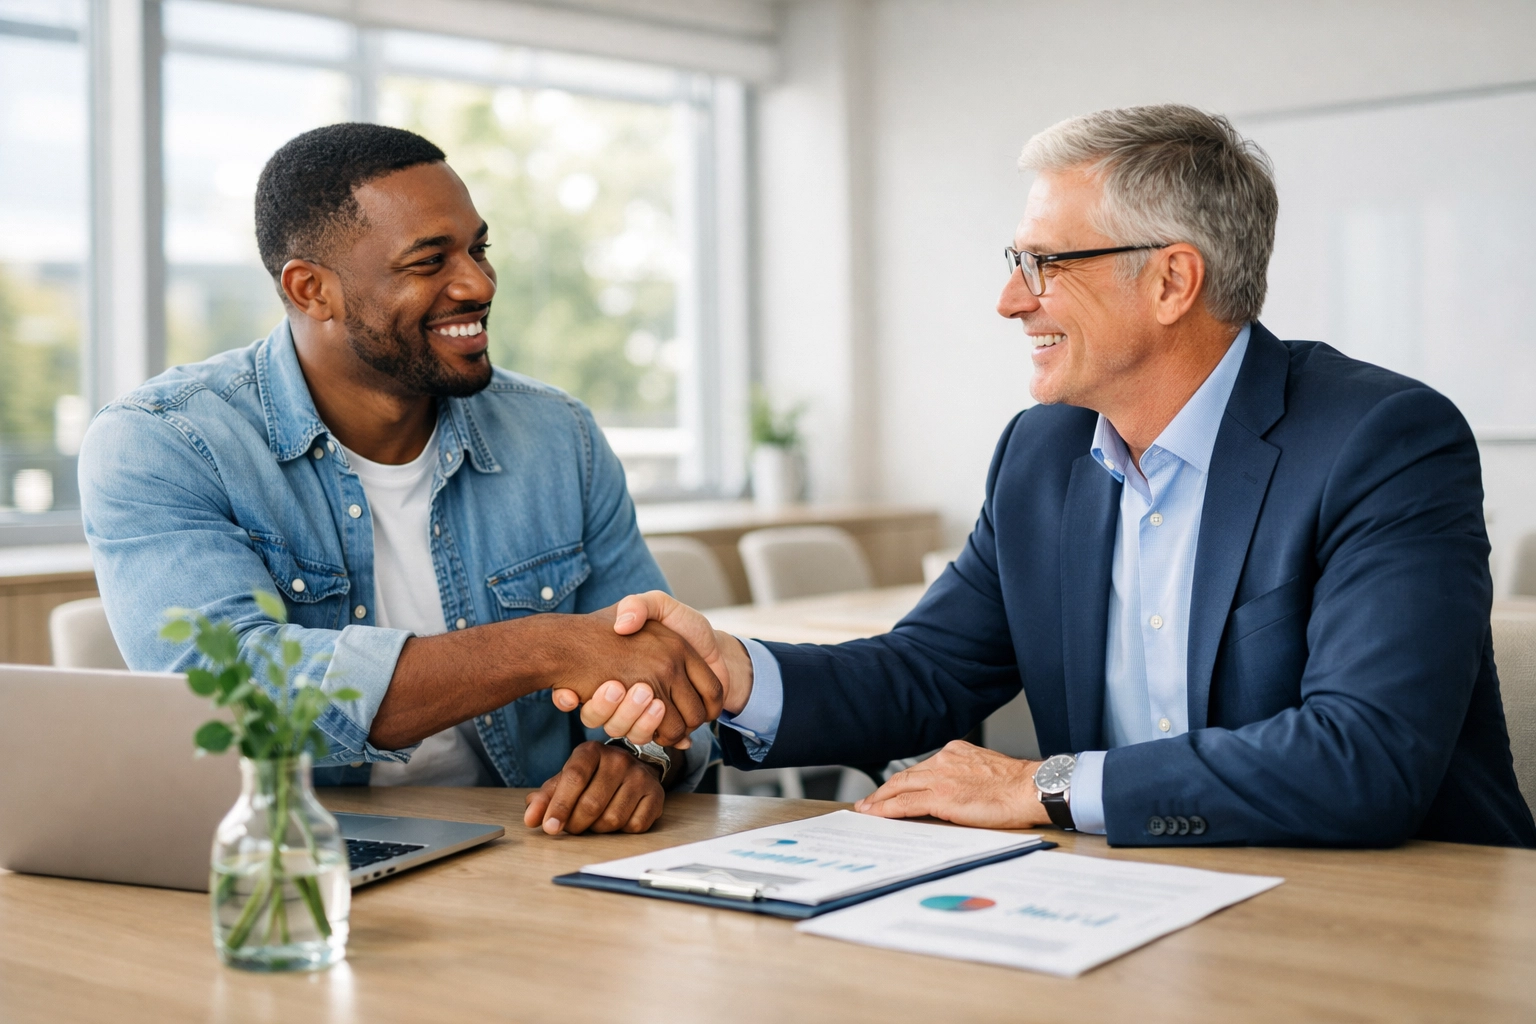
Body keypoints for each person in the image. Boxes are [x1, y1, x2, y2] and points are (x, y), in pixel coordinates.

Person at [570, 104, 1536, 848]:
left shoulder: (1384, 441)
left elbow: (1366, 757)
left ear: (1170, 280)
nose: (1007, 299)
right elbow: (927, 673)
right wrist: (734, 674)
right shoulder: (1043, 453)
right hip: (1127, 899)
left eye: (1043, 263)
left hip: (1404, 914)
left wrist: (1042, 785)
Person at [79, 123, 723, 837]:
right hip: (297, 859)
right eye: (429, 262)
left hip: (530, 852)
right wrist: (548, 648)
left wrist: (639, 757)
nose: (478, 283)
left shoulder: (558, 436)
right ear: (311, 289)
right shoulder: (165, 442)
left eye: (478, 248)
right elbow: (231, 697)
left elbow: (664, 674)